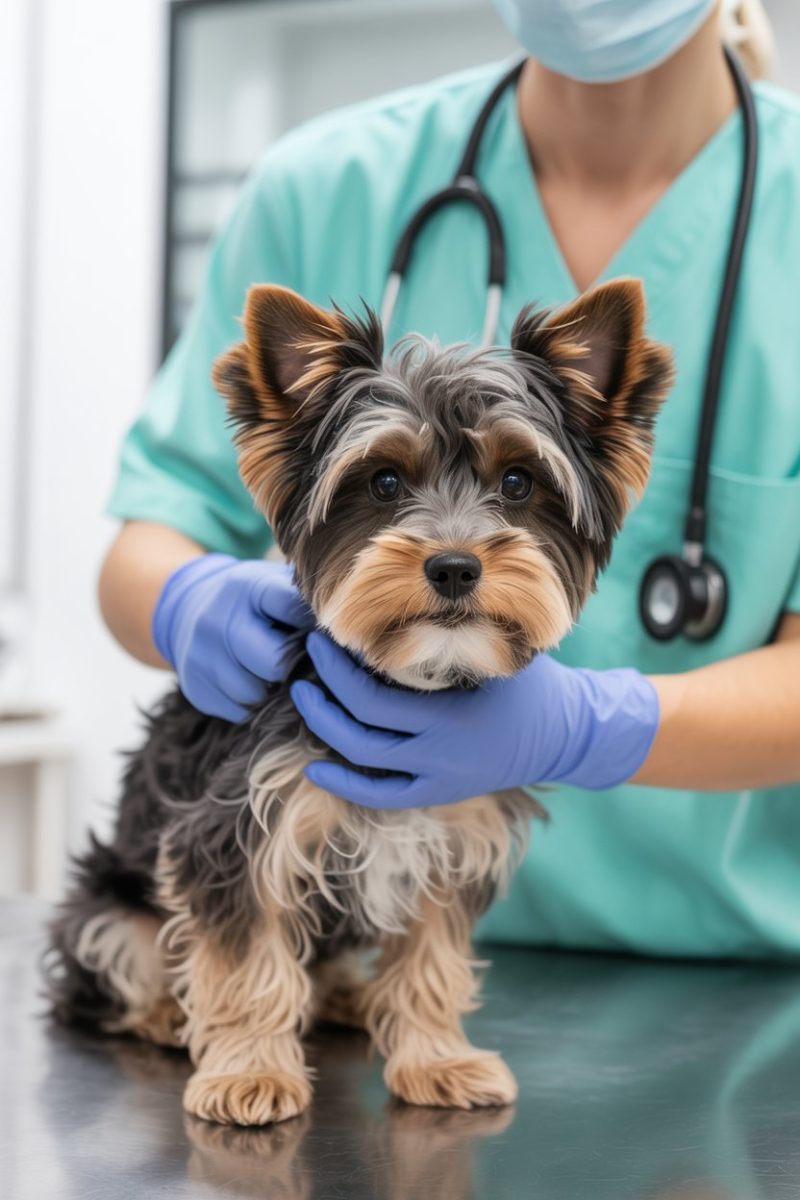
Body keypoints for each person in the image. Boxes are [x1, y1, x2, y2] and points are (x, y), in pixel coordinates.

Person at [100, 0, 800, 958]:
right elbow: (147, 535)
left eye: (517, 486)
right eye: (390, 486)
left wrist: (594, 727)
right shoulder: (328, 184)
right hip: (339, 943)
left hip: (734, 978)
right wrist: (187, 598)